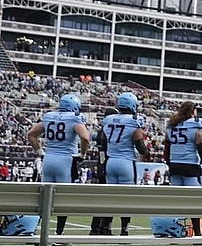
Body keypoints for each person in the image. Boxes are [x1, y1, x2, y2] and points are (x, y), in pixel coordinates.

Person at [26, 93, 91, 238]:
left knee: (43, 198)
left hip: (49, 159)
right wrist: (82, 155)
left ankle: (34, 230)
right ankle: (59, 234)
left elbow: (31, 134)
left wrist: (40, 151)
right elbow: (85, 137)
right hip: (66, 161)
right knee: (63, 199)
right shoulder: (75, 118)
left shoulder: (49, 116)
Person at [103, 92, 148, 236]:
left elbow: (103, 141)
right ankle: (124, 230)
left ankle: (107, 227)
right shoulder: (134, 121)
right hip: (126, 162)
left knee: (110, 198)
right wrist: (146, 151)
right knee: (127, 199)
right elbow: (140, 147)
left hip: (111, 162)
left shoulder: (108, 119)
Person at [164, 100, 202, 236]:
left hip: (174, 165)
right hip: (190, 165)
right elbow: (200, 145)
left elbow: (167, 146)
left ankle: (173, 230)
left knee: (177, 201)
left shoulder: (172, 124)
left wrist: (169, 163)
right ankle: (197, 233)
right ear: (192, 111)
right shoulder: (196, 124)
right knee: (194, 201)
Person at [89, 106, 119, 236]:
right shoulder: (108, 131)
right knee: (109, 200)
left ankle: (97, 227)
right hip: (108, 165)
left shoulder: (101, 131)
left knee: (102, 199)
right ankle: (104, 227)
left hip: (102, 165)